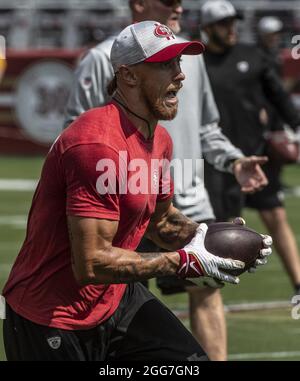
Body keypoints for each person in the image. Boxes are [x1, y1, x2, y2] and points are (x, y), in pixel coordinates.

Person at [1, 20, 271, 361]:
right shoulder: (95, 144)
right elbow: (92, 263)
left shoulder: (159, 139)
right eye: (164, 64)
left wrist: (209, 237)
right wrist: (183, 262)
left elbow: (162, 222)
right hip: (52, 314)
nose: (180, 74)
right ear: (128, 75)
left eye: (179, 62)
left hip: (113, 299)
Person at [201, 0, 300, 296]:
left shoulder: (252, 56)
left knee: (276, 217)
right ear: (207, 28)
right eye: (223, 23)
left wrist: (295, 127)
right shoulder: (198, 62)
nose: (231, 28)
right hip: (216, 161)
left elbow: (278, 96)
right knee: (218, 230)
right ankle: (212, 291)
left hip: (255, 154)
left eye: (233, 22)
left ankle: (298, 283)